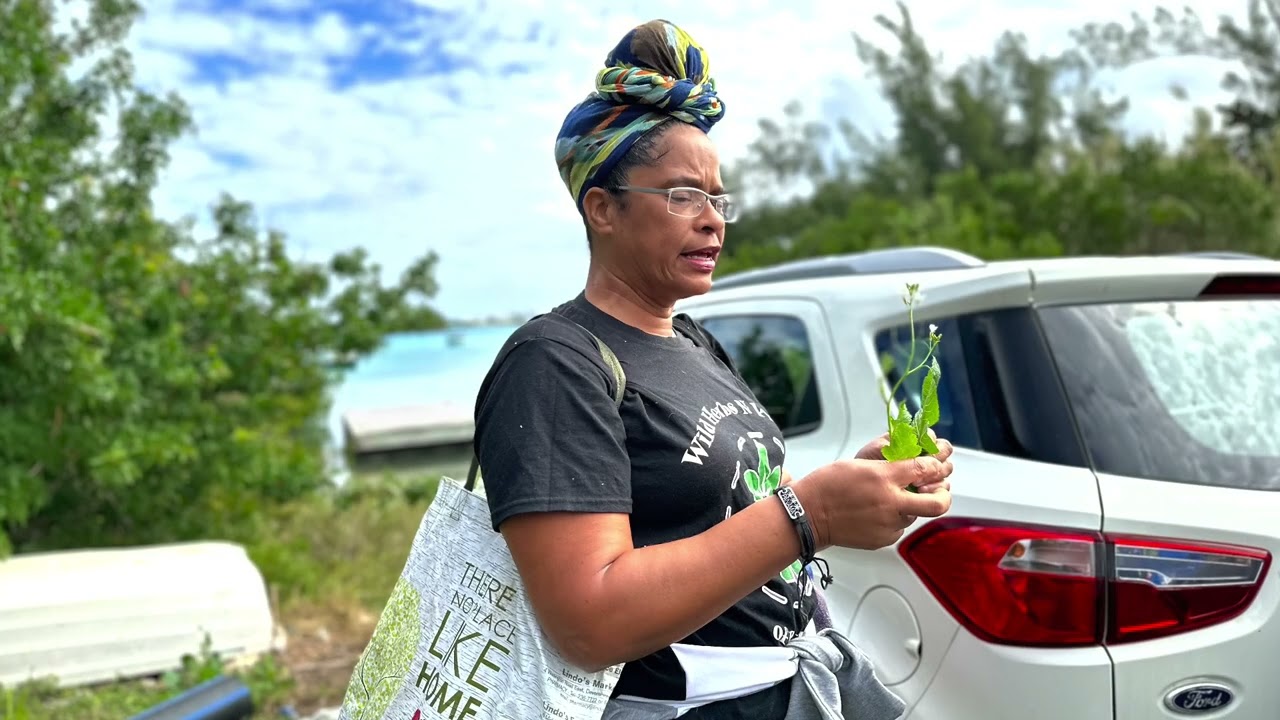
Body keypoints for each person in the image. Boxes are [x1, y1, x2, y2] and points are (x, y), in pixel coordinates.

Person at [472, 19, 954, 720]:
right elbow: (590, 622)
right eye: (682, 196)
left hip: (791, 688)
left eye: (718, 199)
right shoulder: (556, 362)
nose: (714, 221)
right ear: (601, 208)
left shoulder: (694, 340)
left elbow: (736, 502)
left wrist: (859, 488)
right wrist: (813, 511)